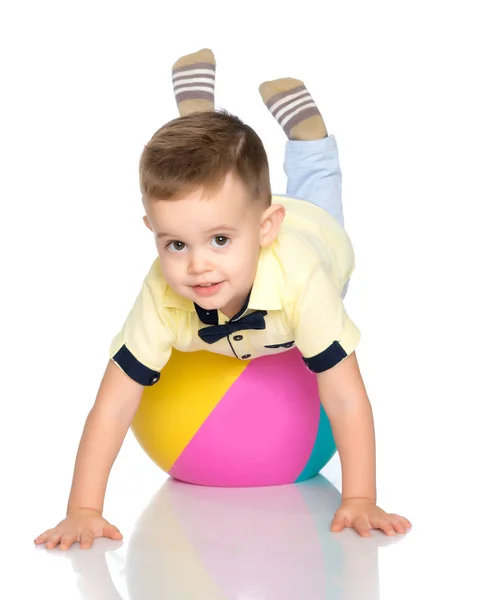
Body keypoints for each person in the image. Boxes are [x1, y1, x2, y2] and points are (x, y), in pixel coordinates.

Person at [34, 49, 411, 551]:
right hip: (246, 228)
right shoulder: (163, 294)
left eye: (219, 241)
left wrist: (361, 496)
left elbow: (343, 395)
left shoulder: (304, 283)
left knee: (319, 196)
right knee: (199, 179)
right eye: (174, 244)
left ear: (264, 228)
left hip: (313, 240)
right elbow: (113, 405)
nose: (197, 267)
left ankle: (309, 135)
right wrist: (83, 509)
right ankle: (198, 119)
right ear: (152, 233)